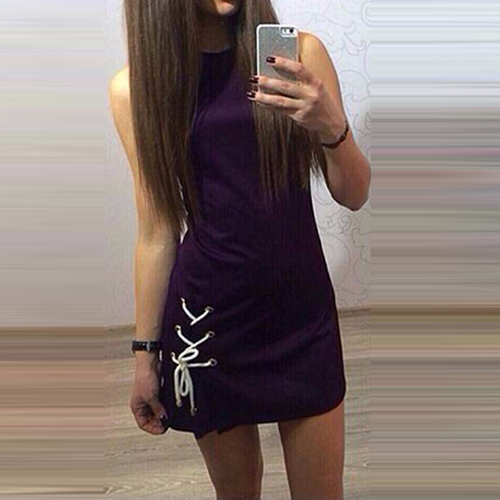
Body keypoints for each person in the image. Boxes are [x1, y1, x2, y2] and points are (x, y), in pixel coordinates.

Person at [109, 1, 370, 499]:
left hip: (301, 318)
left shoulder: (299, 54)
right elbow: (157, 232)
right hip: (208, 327)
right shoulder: (136, 89)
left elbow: (354, 194)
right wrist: (145, 356)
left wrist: (332, 127)